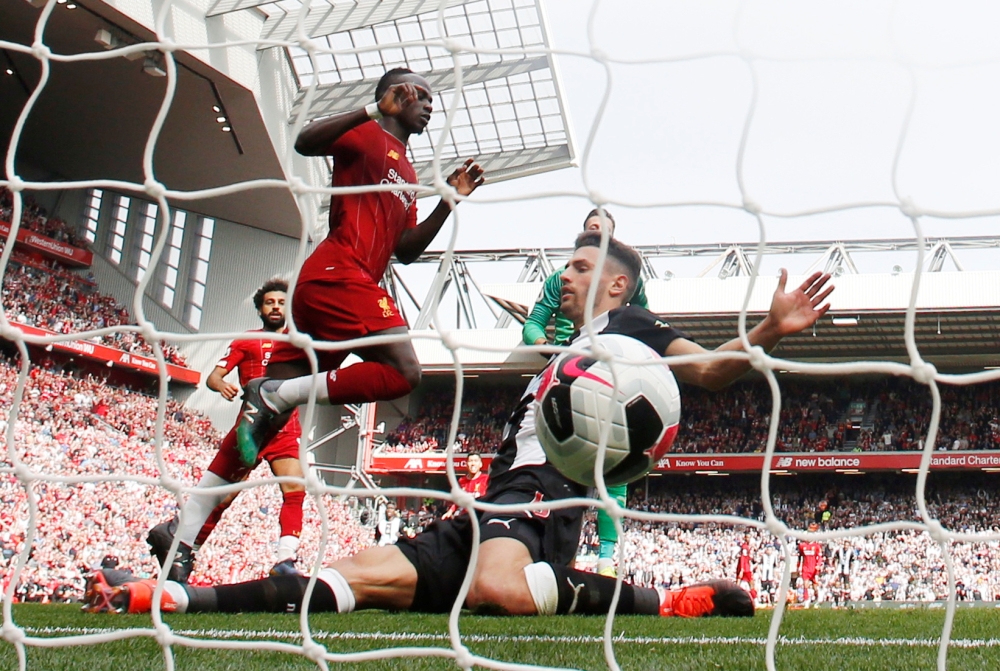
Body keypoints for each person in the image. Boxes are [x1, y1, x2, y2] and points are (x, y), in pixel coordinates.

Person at [83, 231, 831, 619]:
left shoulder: (629, 328)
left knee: (499, 593)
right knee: (352, 577)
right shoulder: (563, 345)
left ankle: (670, 599)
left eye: (576, 265)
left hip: (546, 492)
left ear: (615, 282)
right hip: (493, 496)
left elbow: (704, 372)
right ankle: (169, 596)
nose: (562, 276)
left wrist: (765, 329)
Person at [234, 67, 485, 467]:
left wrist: (448, 201)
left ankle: (187, 520)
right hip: (339, 274)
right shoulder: (367, 134)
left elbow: (405, 249)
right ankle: (274, 394)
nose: (429, 107)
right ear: (394, 96)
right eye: (420, 96)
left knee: (260, 427)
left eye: (432, 101)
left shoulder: (408, 172)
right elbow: (304, 142)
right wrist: (370, 109)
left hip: (337, 288)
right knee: (404, 372)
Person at [147, 280, 308, 582]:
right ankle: (185, 550)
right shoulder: (246, 341)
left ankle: (286, 560)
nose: (276, 307)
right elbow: (214, 376)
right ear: (260, 308)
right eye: (270, 302)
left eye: (281, 302)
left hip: (287, 427)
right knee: (222, 498)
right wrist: (221, 384)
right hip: (251, 426)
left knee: (295, 490)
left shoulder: (300, 341)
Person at [521, 209, 646, 577]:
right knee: (553, 463)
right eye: (591, 230)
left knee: (616, 465)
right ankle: (553, 552)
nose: (595, 235)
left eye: (603, 233)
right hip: (562, 378)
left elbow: (645, 321)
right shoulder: (560, 280)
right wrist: (550, 348)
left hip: (608, 374)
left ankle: (607, 560)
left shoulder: (630, 284)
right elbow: (533, 322)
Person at [441, 452, 489, 519]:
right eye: (470, 461)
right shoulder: (462, 481)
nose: (473, 464)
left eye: (475, 461)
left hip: (481, 516)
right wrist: (450, 511)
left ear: (480, 464)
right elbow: (458, 500)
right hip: (466, 517)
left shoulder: (486, 479)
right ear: (466, 464)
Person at [797, 524, 824, 608]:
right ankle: (806, 601)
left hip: (814, 569)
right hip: (805, 568)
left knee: (815, 586)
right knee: (805, 585)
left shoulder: (816, 546)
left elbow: (819, 557)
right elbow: (800, 557)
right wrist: (798, 566)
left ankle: (817, 599)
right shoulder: (802, 546)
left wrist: (818, 565)